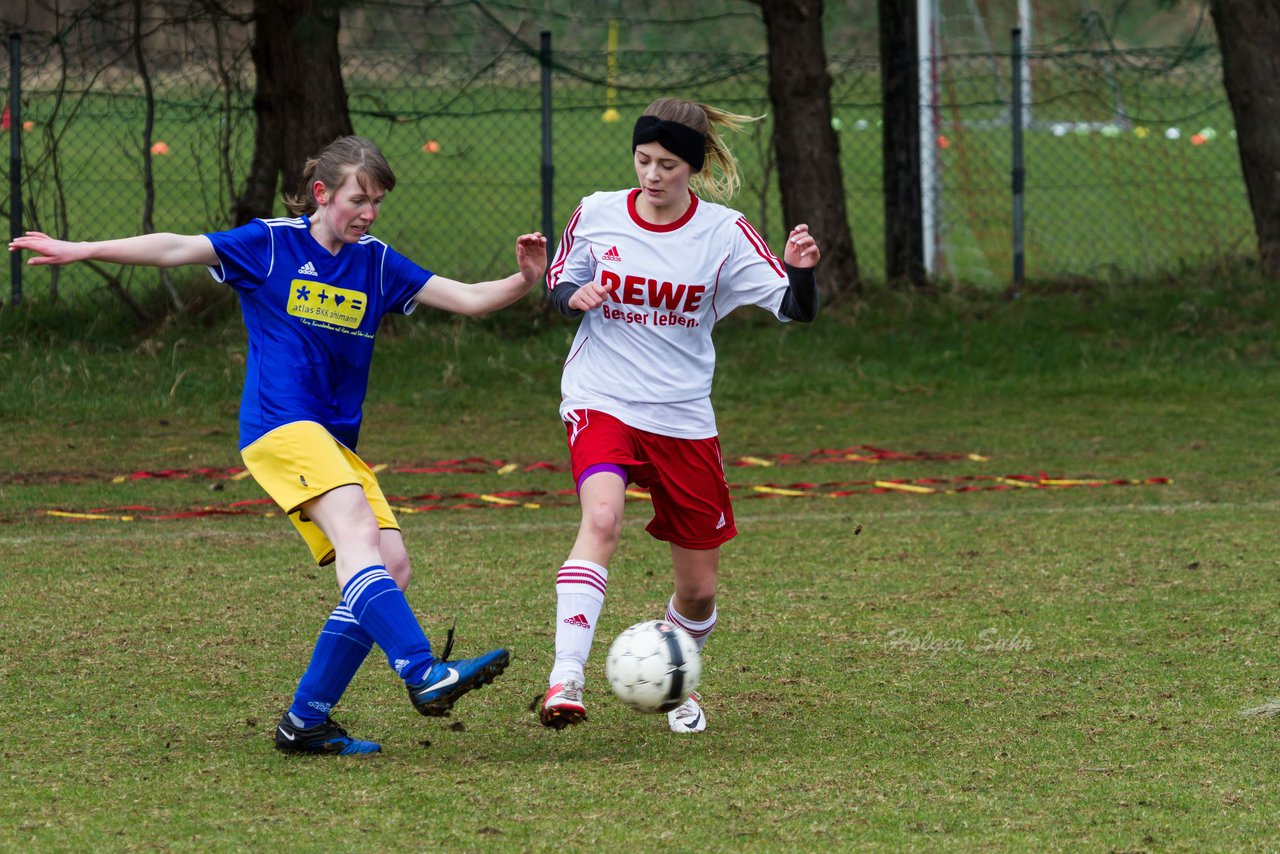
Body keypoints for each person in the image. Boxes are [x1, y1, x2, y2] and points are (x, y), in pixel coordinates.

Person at [10, 135, 547, 756]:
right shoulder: (270, 244)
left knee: (391, 566)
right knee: (355, 531)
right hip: (279, 427)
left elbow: (469, 298)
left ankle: (306, 722)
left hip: (334, 443)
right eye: (358, 199)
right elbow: (176, 247)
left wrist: (523, 278)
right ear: (322, 194)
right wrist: (82, 250)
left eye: (377, 202)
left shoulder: (374, 262)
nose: (369, 213)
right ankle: (422, 670)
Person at [538, 98, 821, 734]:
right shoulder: (598, 212)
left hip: (683, 417)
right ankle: (566, 678)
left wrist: (802, 275)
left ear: (692, 168)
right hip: (600, 396)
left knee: (698, 592)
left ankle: (667, 666)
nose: (652, 174)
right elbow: (560, 279)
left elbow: (794, 310)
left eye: (668, 164)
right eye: (643, 160)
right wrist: (570, 294)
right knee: (602, 519)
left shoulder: (723, 233)